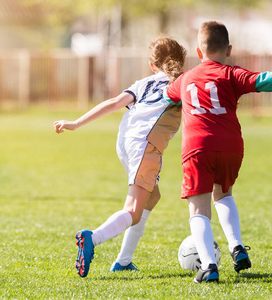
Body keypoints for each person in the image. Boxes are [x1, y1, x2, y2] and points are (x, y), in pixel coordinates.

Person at [164, 20, 272, 283]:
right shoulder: (231, 74)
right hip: (231, 147)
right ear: (228, 50)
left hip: (197, 147)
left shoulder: (185, 79)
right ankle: (236, 247)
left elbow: (166, 96)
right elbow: (266, 80)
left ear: (199, 51)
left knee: (198, 210)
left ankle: (208, 266)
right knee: (223, 194)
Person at [53, 36, 187, 277]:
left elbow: (115, 103)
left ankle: (123, 261)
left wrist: (76, 123)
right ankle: (92, 238)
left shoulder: (144, 83)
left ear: (151, 65)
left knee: (152, 196)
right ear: (181, 61)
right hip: (145, 145)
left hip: (125, 141)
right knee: (134, 210)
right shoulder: (181, 84)